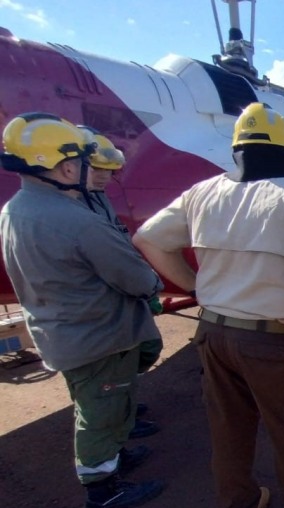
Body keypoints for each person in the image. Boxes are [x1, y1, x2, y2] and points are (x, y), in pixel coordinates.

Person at [133, 103, 284, 508]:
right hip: (274, 341)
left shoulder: (202, 192)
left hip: (213, 334)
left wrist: (197, 287)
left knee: (228, 430)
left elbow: (148, 239)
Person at [0, 112, 165, 508]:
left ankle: (114, 456)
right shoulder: (75, 220)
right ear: (68, 166)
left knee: (97, 404)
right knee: (99, 414)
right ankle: (102, 490)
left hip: (62, 333)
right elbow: (133, 276)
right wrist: (154, 286)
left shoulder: (15, 209)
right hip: (98, 337)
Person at [79, 125, 163, 437]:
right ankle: (105, 478)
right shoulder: (72, 207)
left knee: (141, 351)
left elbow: (119, 242)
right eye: (97, 168)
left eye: (108, 169)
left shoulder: (96, 199)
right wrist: (146, 286)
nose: (103, 176)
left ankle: (121, 407)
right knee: (106, 375)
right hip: (99, 306)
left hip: (121, 297)